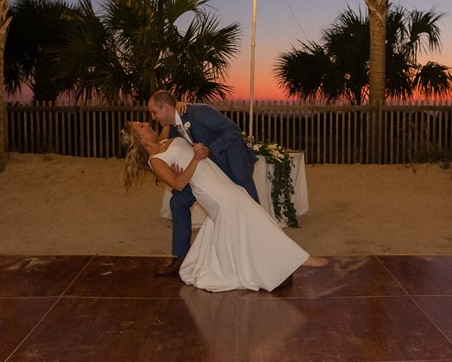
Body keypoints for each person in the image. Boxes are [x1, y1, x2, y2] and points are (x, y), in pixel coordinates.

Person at [123, 121, 327, 291]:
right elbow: (178, 184)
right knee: (251, 213)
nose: (147, 123)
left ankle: (273, 260)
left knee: (249, 213)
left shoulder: (165, 139)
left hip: (217, 178)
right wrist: (195, 159)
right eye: (141, 126)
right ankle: (299, 257)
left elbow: (167, 119)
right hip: (208, 188)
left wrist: (178, 106)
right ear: (140, 139)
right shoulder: (155, 160)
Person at [147, 90, 260, 277]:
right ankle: (182, 257)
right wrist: (176, 168)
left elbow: (233, 130)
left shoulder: (198, 113)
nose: (153, 117)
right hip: (204, 173)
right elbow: (162, 147)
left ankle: (264, 255)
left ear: (165, 107)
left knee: (253, 210)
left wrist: (210, 149)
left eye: (153, 112)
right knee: (178, 201)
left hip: (231, 164)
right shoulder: (174, 127)